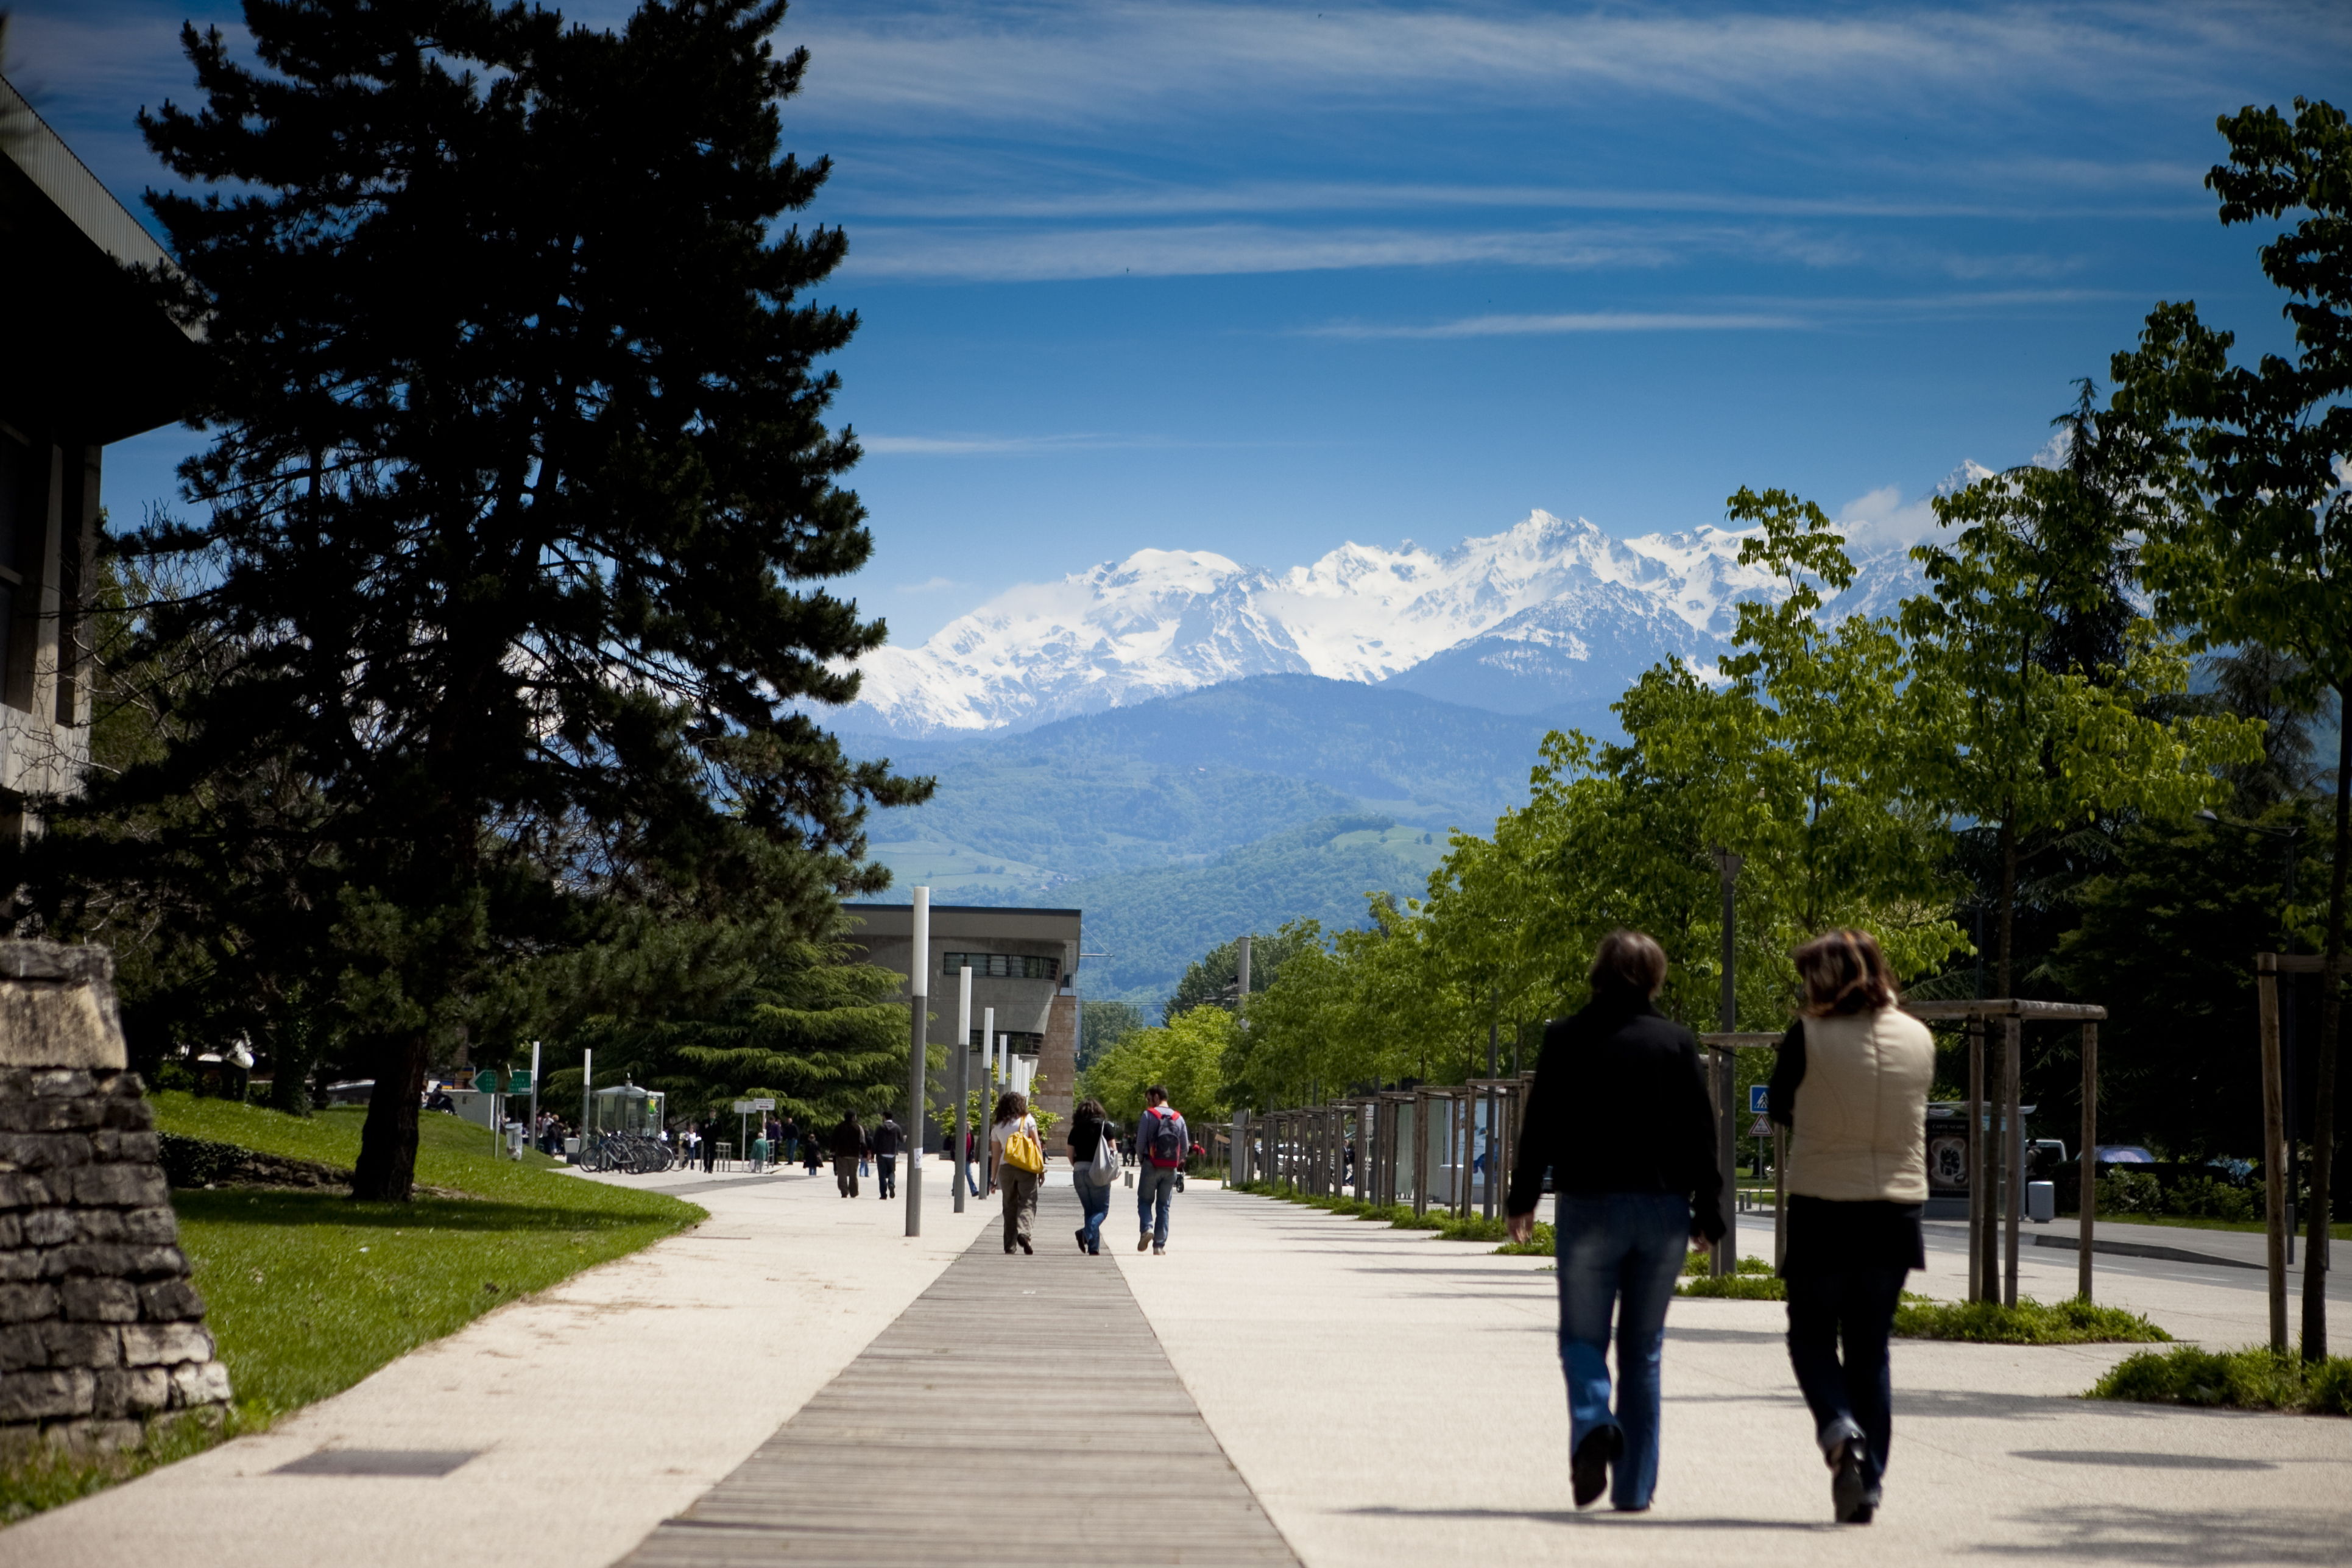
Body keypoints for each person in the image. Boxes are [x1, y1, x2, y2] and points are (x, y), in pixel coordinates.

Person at [1505, 929, 1724, 1514]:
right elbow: (1701, 1135)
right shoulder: (1676, 1043)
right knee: (1643, 1350)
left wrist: (1522, 1196)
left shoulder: (1564, 1038)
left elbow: (1540, 1125)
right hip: (1662, 1209)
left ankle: (1594, 1419)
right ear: (1656, 977)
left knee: (1581, 1339)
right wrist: (1710, 1209)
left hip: (1589, 1205)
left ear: (1596, 974)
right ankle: (1631, 1491)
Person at [1766, 929, 1934, 1526]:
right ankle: (1870, 1484)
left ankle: (1841, 1431)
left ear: (1824, 978)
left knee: (1810, 1334)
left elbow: (1779, 1106)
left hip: (1823, 1205)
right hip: (1897, 1211)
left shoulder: (1807, 1036)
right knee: (1870, 1348)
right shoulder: (1919, 1036)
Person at [1135, 1084, 1187, 1254]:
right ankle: (1159, 1246)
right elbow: (1185, 1147)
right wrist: (1176, 1162)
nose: (1148, 1103)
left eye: (1149, 1099)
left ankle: (1147, 1228)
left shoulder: (1148, 1115)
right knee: (1164, 1206)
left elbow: (1140, 1142)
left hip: (1151, 1164)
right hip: (1170, 1167)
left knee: (1144, 1201)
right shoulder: (1179, 1118)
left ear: (1156, 1097)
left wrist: (1143, 1159)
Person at [991, 1090, 1042, 1254]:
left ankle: (1010, 1246)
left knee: (1009, 1205)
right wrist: (1040, 1169)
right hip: (1026, 1167)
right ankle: (1025, 1234)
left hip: (1006, 1169)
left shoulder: (997, 1126)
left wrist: (993, 1180)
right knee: (1027, 1202)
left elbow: (996, 1156)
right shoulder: (1028, 1120)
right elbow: (1036, 1145)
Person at [1066, 1097, 1115, 1254]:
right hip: (1098, 1172)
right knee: (1102, 1211)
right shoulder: (1104, 1127)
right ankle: (1085, 1233)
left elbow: (1069, 1153)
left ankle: (1094, 1248)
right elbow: (1113, 1150)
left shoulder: (1076, 1129)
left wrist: (1077, 1166)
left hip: (1079, 1171)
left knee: (1089, 1210)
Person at [830, 1110, 868, 1198]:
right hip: (854, 1154)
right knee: (853, 1174)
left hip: (842, 1154)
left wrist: (833, 1150)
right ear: (853, 1117)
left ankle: (844, 1191)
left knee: (842, 1174)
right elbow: (862, 1141)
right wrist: (865, 1154)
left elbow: (833, 1139)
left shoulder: (839, 1127)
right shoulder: (858, 1128)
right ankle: (854, 1192)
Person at [872, 1112, 905, 1199]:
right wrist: (905, 1138)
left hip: (881, 1154)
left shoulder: (880, 1128)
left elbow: (875, 1141)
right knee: (892, 1171)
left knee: (882, 1175)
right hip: (892, 1153)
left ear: (884, 1117)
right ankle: (891, 1183)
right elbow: (902, 1139)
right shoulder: (897, 1127)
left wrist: (873, 1154)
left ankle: (883, 1195)